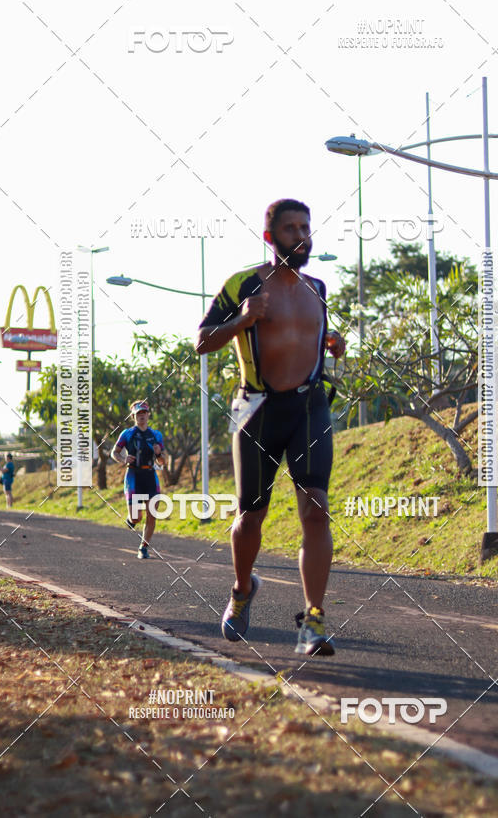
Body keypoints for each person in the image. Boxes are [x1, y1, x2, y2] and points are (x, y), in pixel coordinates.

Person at [196, 198, 346, 656]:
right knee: (251, 516)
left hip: (309, 409)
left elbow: (313, 339)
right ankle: (242, 592)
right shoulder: (242, 284)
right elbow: (202, 341)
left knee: (316, 509)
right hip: (258, 410)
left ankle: (313, 621)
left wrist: (333, 343)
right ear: (270, 236)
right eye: (290, 228)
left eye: (306, 226)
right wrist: (242, 318)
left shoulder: (318, 287)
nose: (301, 235)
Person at [111, 401, 165, 560]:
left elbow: (163, 462)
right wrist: (123, 459)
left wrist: (159, 454)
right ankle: (131, 519)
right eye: (138, 414)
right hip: (133, 476)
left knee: (152, 514)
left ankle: (144, 547)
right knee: (136, 518)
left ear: (148, 414)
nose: (141, 416)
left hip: (150, 476)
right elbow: (114, 452)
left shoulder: (156, 435)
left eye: (144, 413)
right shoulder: (127, 434)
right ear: (133, 416)